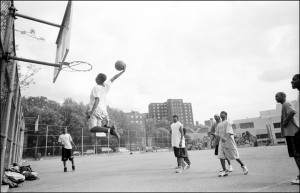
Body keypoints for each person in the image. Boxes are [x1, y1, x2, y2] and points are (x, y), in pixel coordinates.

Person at [86, 67, 126, 140]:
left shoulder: (96, 87)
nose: (95, 78)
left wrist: (91, 112)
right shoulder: (106, 85)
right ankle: (111, 129)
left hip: (96, 110)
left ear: (98, 79)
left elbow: (97, 100)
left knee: (92, 128)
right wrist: (123, 71)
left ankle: (110, 130)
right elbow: (114, 78)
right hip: (104, 111)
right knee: (102, 127)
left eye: (96, 77)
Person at [211, 111, 248, 177]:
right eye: (220, 113)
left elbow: (229, 132)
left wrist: (225, 138)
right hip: (222, 142)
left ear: (225, 115)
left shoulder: (227, 122)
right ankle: (225, 171)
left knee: (234, 156)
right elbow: (217, 133)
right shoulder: (219, 124)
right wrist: (213, 135)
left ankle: (243, 166)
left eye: (223, 113)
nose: (221, 114)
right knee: (221, 156)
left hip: (229, 141)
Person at [275, 91, 299, 185]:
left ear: (283, 96)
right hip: (291, 133)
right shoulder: (283, 105)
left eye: (277, 96)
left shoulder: (286, 103)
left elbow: (292, 111)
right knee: (296, 154)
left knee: (296, 154)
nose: (275, 98)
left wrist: (285, 121)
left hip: (293, 133)